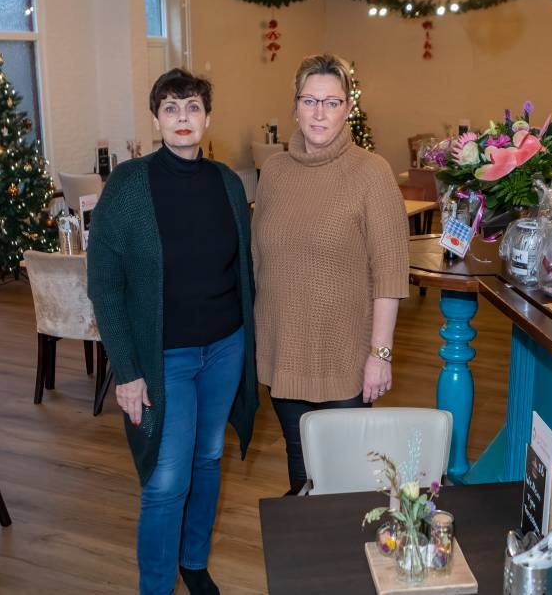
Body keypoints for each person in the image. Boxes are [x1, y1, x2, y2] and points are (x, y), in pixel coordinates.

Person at [88, 68, 259, 595]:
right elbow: (104, 286)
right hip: (165, 360)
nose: (182, 118)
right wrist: (128, 371)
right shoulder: (128, 185)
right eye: (171, 108)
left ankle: (193, 560)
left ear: (208, 118)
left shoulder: (228, 184)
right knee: (166, 480)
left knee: (208, 457)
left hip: (225, 347)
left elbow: (243, 273)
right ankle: (156, 586)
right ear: (156, 118)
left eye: (192, 108)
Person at [253, 53, 409, 493]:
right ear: (295, 106)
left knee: (343, 480)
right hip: (285, 355)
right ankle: (306, 558)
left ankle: (344, 559)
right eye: (309, 100)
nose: (319, 113)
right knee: (300, 468)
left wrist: (379, 356)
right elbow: (259, 259)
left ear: (348, 109)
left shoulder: (371, 172)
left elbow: (390, 273)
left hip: (343, 360)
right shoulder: (275, 173)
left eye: (332, 102)